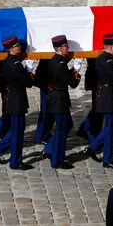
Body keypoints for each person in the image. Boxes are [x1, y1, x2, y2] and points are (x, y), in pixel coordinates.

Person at [0, 36, 36, 170]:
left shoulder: (8, 61)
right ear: (12, 49)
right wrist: (29, 72)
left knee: (18, 129)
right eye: (17, 46)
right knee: (17, 132)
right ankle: (15, 161)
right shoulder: (15, 64)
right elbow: (28, 83)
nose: (20, 47)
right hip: (16, 100)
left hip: (12, 98)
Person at [84, 34, 113, 170]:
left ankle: (93, 148)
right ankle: (107, 158)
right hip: (108, 96)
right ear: (112, 47)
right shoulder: (107, 62)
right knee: (112, 125)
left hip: (108, 95)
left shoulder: (104, 59)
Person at [40, 35, 82, 169]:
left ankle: (50, 149)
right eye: (66, 46)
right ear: (60, 48)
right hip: (59, 100)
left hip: (56, 98)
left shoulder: (56, 61)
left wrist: (72, 70)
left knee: (66, 125)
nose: (68, 48)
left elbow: (63, 76)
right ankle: (57, 159)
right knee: (62, 129)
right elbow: (73, 83)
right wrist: (76, 71)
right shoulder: (60, 64)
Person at [75, 58, 103, 142]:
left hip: (96, 76)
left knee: (98, 108)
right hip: (96, 77)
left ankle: (85, 130)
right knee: (98, 109)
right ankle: (92, 134)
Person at [33, 58, 55, 144]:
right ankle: (40, 136)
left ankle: (45, 133)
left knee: (50, 110)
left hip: (49, 79)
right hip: (46, 80)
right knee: (46, 110)